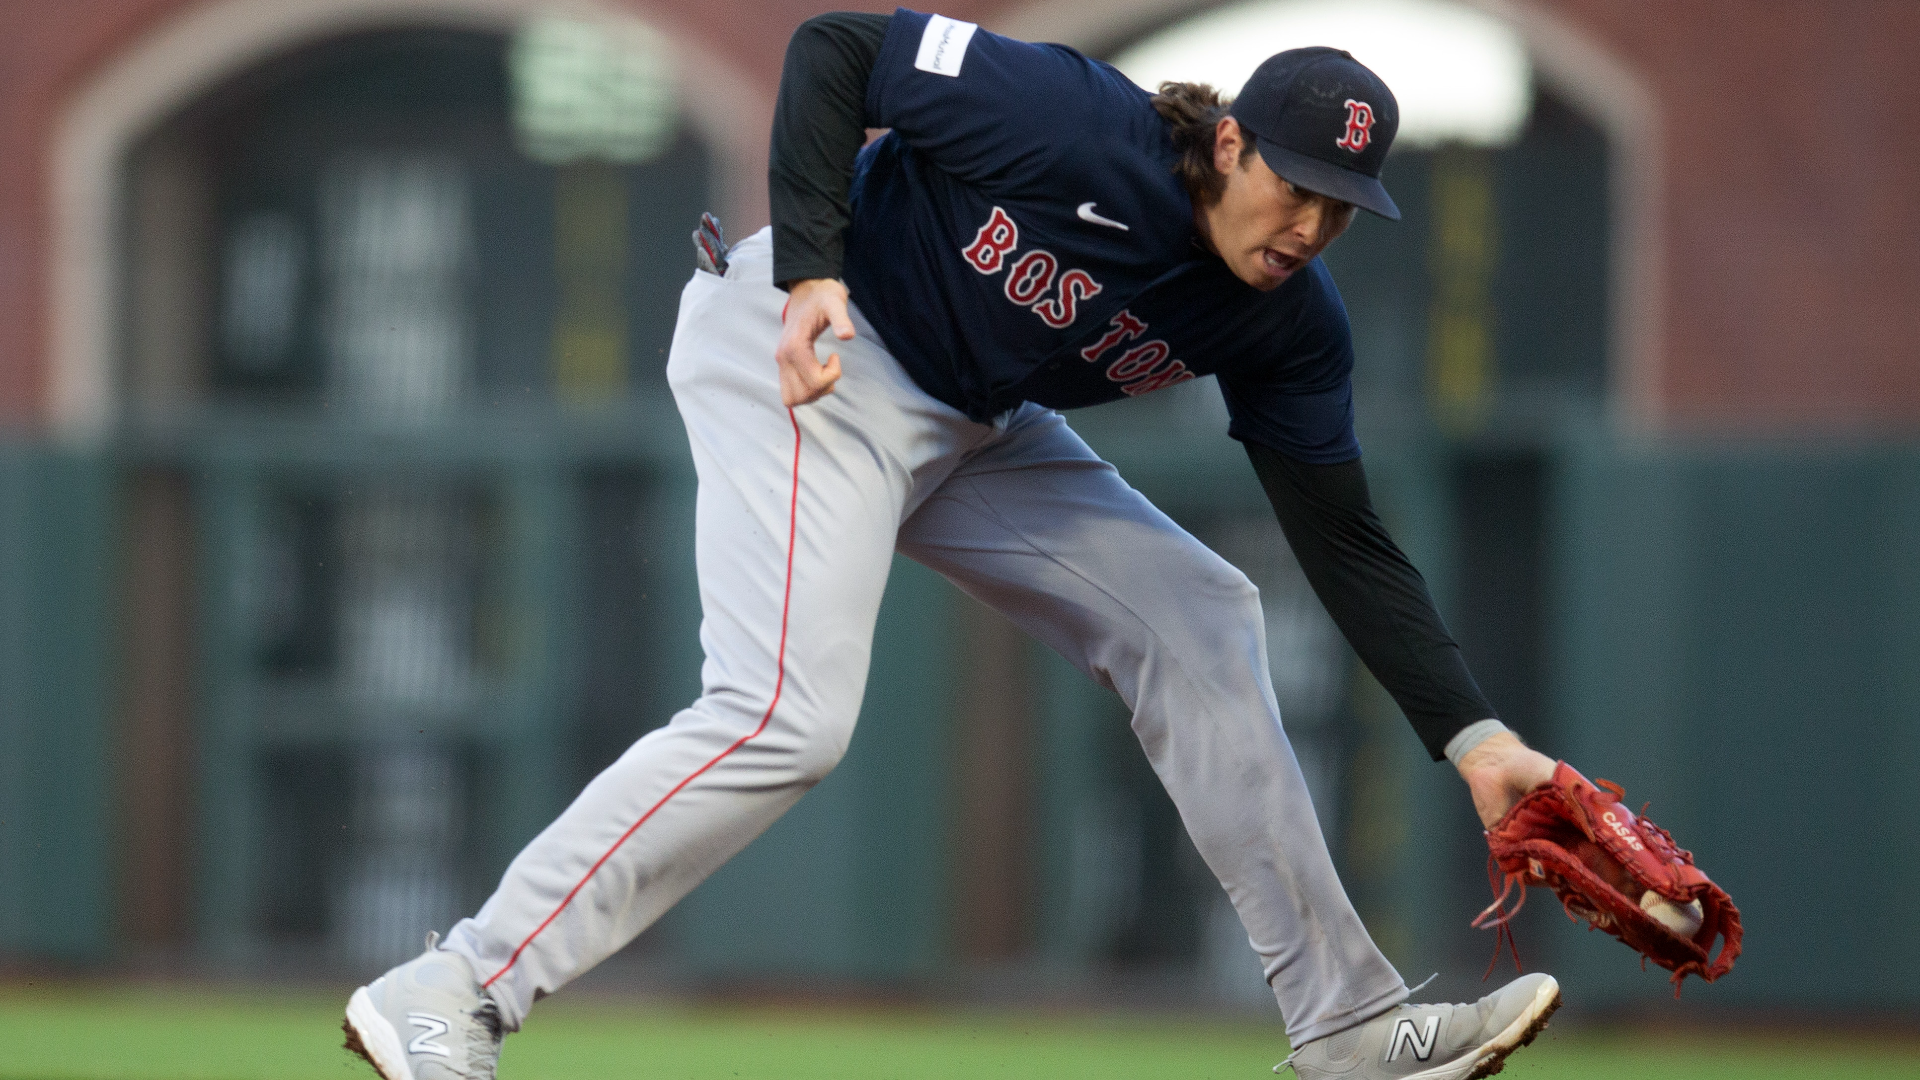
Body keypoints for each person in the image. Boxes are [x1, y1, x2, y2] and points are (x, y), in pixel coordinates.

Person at [342, 10, 1569, 1080]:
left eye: (1340, 208)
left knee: (1203, 614)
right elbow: (838, 49)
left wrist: (1475, 737)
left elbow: (1345, 540)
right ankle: (458, 986)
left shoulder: (1290, 326)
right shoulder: (1076, 122)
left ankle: (1346, 1027)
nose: (1307, 225)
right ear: (1232, 143)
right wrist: (813, 267)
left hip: (975, 424)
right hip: (819, 349)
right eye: (1292, 185)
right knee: (785, 716)